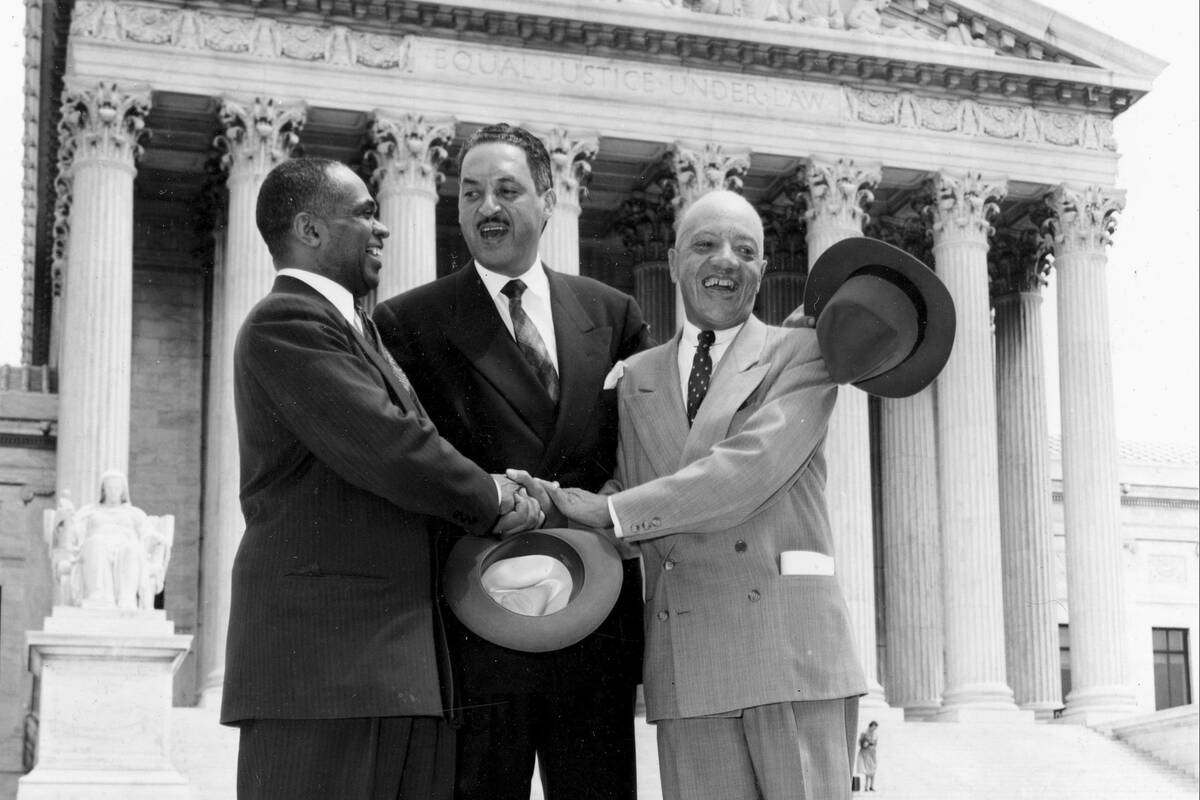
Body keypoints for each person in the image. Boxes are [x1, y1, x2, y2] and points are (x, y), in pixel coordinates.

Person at [221, 156, 542, 800]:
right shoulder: (287, 322)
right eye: (365, 212)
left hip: (386, 663)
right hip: (327, 670)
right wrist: (493, 495)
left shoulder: (353, 328)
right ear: (310, 230)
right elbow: (392, 448)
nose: (384, 227)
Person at [543, 190, 868, 800]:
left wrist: (613, 511)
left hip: (786, 652)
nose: (726, 261)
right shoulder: (635, 377)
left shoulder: (803, 353)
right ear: (671, 261)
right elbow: (634, 491)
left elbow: (747, 470)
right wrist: (549, 506)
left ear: (763, 271)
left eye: (745, 250)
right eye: (706, 244)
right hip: (687, 660)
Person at [373, 123, 650, 800]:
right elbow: (407, 466)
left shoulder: (613, 315)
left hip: (593, 620)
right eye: (470, 194)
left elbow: (640, 456)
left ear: (548, 198)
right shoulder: (408, 323)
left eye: (505, 189)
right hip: (475, 627)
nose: (486, 208)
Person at [73, 470, 163, 610]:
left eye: (117, 488)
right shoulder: (89, 512)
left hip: (126, 548)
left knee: (131, 548)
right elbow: (73, 532)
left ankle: (127, 599)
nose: (113, 492)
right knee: (96, 543)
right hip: (96, 548)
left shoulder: (135, 513)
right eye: (110, 488)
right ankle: (99, 596)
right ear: (103, 490)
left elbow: (148, 533)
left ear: (123, 491)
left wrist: (154, 539)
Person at [858, 721, 879, 791]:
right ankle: (866, 786)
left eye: (875, 728)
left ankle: (871, 786)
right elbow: (861, 743)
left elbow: (875, 743)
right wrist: (866, 744)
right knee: (867, 769)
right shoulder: (864, 733)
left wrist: (871, 744)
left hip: (872, 752)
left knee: (873, 769)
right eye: (874, 727)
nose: (874, 729)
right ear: (871, 726)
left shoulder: (875, 734)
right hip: (866, 753)